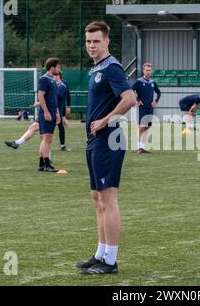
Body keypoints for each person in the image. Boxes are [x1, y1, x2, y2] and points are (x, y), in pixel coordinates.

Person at [76, 21, 136, 275]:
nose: (91, 46)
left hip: (109, 139)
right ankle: (101, 253)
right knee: (97, 199)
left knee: (108, 199)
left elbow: (130, 99)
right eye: (88, 41)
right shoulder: (96, 68)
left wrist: (105, 120)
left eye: (96, 41)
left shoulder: (111, 68)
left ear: (107, 41)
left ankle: (110, 261)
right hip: (95, 141)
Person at [37, 57, 61, 172]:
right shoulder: (44, 79)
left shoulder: (53, 80)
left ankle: (41, 164)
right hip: (46, 113)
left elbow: (53, 98)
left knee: (46, 139)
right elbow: (40, 96)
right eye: (58, 67)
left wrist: (57, 113)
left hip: (52, 112)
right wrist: (46, 112)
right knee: (46, 139)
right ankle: (47, 164)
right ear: (52, 68)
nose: (59, 69)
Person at [132, 62, 162, 154]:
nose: (148, 72)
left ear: (151, 71)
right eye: (146, 70)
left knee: (148, 126)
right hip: (142, 107)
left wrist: (155, 101)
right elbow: (131, 90)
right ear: (143, 71)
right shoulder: (139, 81)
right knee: (141, 127)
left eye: (149, 70)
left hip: (150, 108)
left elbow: (159, 93)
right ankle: (139, 147)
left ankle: (142, 146)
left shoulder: (153, 82)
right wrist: (137, 99)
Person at [55, 71, 71, 151]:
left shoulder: (62, 86)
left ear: (60, 76)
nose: (55, 77)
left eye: (56, 75)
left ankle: (62, 145)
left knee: (61, 127)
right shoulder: (51, 84)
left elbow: (61, 99)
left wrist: (63, 116)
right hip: (51, 112)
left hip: (57, 112)